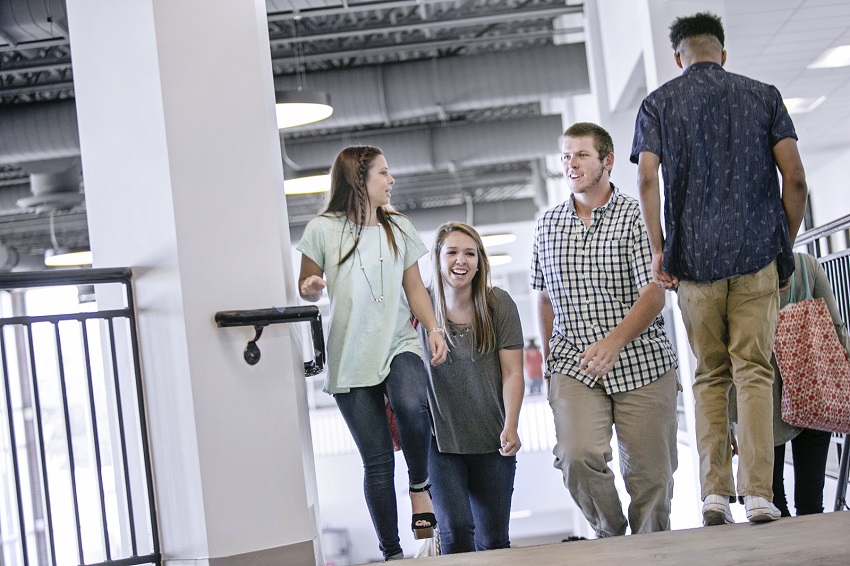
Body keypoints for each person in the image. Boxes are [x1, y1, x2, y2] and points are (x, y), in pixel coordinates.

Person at [631, 11, 809, 525]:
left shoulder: (658, 103)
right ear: (723, 52)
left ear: (678, 57)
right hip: (756, 260)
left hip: (694, 265)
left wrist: (658, 249)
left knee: (710, 376)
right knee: (754, 373)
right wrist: (783, 245)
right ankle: (759, 495)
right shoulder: (764, 95)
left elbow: (647, 181)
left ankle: (714, 494)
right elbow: (794, 179)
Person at [297, 145, 448, 561]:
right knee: (378, 463)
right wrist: (310, 286)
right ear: (359, 179)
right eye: (384, 173)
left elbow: (414, 288)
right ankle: (392, 553)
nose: (391, 180)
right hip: (350, 356)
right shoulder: (322, 229)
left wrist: (433, 328)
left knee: (413, 406)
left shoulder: (398, 226)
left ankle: (419, 486)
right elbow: (307, 278)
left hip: (397, 340)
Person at [532, 122, 679, 538]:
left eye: (581, 155)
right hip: (573, 363)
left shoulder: (635, 216)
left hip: (642, 362)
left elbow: (655, 292)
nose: (571, 164)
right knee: (577, 456)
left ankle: (650, 550)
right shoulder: (547, 225)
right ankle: (611, 540)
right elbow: (543, 298)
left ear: (607, 161)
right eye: (566, 156)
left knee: (652, 475)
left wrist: (615, 341)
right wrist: (548, 361)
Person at [418, 221, 524, 554]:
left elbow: (512, 372)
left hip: (493, 440)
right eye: (451, 252)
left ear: (479, 262)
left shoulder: (498, 305)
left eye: (469, 253)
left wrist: (512, 425)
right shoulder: (419, 307)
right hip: (440, 442)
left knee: (493, 540)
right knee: (456, 531)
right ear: (437, 258)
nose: (460, 261)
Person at [770, 252, 850, 516]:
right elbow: (837, 328)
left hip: (765, 398)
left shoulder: (745, 270)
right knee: (811, 499)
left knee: (771, 499)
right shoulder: (806, 266)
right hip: (815, 390)